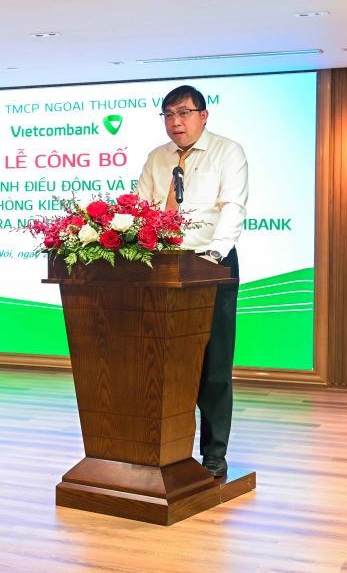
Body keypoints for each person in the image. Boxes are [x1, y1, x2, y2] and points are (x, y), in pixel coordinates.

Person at [134, 85, 248, 477]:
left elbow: (232, 206)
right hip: (163, 270)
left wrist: (213, 256)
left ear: (203, 115)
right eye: (168, 115)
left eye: (183, 113)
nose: (175, 122)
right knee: (163, 364)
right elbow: (142, 209)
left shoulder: (227, 151)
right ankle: (166, 448)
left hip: (211, 266)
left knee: (213, 364)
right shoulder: (157, 157)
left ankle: (214, 453)